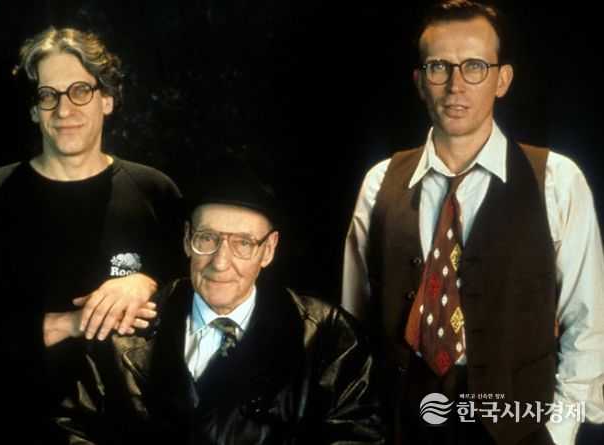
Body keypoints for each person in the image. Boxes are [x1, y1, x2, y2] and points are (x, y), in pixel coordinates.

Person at [342, 1, 604, 444]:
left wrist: (557, 433)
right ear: (419, 81)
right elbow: (351, 326)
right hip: (402, 426)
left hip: (519, 428)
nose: (455, 85)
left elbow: (589, 324)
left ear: (503, 80)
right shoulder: (379, 182)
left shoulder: (557, 181)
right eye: (439, 67)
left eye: (475, 67)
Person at [0, 27, 183, 440]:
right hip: (6, 420)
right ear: (34, 110)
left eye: (80, 91)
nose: (64, 110)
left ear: (107, 99)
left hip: (128, 428)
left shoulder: (156, 192)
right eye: (49, 95)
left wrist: (146, 281)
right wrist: (70, 323)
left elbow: (196, 302)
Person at [54, 162, 385, 444]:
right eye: (207, 239)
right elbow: (74, 429)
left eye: (243, 243)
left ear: (268, 250)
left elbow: (358, 435)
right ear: (187, 239)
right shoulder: (126, 327)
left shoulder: (328, 335)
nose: (220, 262)